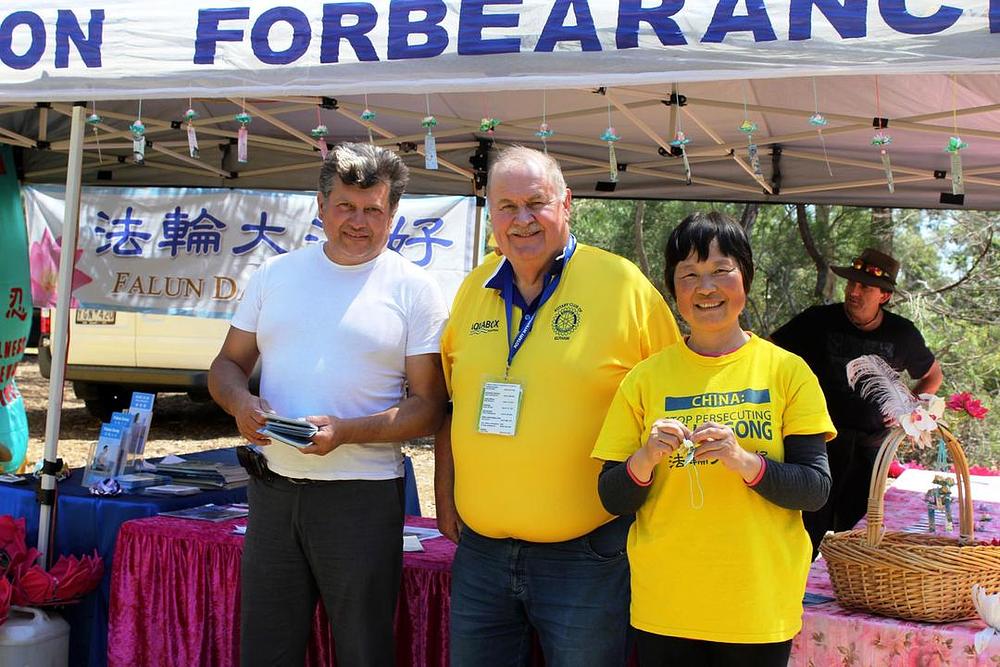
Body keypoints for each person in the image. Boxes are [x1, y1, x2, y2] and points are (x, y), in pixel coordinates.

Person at [435, 145, 681, 666]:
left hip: (587, 555)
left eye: (536, 203)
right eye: (506, 206)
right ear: (490, 212)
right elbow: (452, 403)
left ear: (566, 203)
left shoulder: (622, 286)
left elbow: (673, 403)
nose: (521, 219)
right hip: (482, 554)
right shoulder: (473, 288)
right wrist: (445, 490)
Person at [208, 142, 449, 666]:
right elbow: (226, 365)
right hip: (273, 490)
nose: (358, 222)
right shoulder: (275, 275)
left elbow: (430, 406)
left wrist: (346, 431)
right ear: (320, 206)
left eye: (373, 210)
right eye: (345, 206)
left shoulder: (415, 289)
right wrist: (240, 403)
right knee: (266, 653)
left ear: (393, 214)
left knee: (363, 652)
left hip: (361, 497)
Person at [591, 212, 835, 666]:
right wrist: (646, 457)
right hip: (666, 607)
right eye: (689, 275)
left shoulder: (787, 371)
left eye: (721, 270)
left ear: (746, 277)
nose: (706, 288)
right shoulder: (645, 378)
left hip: (757, 607)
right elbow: (612, 496)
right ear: (673, 288)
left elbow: (815, 489)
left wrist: (745, 462)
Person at [771, 247, 943, 559]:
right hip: (817, 443)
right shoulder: (817, 320)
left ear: (884, 296)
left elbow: (933, 374)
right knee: (806, 529)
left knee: (858, 534)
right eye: (852, 283)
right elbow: (769, 353)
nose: (854, 291)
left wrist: (910, 407)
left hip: (870, 450)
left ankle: (844, 586)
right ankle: (799, 583)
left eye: (865, 287)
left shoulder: (902, 334)